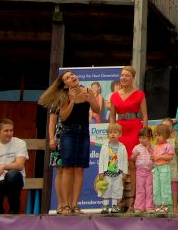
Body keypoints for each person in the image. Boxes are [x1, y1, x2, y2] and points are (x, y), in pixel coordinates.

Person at [38, 70, 100, 215]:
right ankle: (64, 205)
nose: (72, 77)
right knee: (67, 168)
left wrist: (90, 99)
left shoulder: (87, 90)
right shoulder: (64, 96)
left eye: (72, 75)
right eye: (67, 77)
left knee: (79, 169)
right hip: (68, 133)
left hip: (84, 133)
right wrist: (72, 100)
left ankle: (74, 205)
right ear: (65, 85)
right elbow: (64, 117)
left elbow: (97, 109)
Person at [109, 66, 147, 209]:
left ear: (132, 78)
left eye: (127, 76)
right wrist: (112, 132)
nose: (123, 78)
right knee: (118, 165)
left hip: (135, 128)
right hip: (120, 130)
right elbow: (112, 116)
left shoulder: (139, 94)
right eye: (122, 75)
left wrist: (145, 134)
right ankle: (120, 199)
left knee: (133, 165)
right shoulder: (114, 96)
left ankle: (134, 199)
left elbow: (144, 115)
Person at [97, 123, 128, 214]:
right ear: (107, 135)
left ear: (120, 134)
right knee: (106, 190)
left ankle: (114, 207)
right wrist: (101, 172)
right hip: (107, 174)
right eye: (110, 132)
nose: (113, 134)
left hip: (118, 174)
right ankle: (105, 207)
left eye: (115, 132)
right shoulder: (104, 147)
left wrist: (125, 172)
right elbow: (101, 160)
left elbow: (125, 160)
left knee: (116, 190)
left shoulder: (122, 147)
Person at [130, 127, 155, 213]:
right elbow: (131, 158)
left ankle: (149, 207)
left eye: (144, 138)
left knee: (149, 189)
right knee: (140, 189)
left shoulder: (153, 147)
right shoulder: (137, 147)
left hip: (150, 172)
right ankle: (139, 207)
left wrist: (150, 149)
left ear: (150, 138)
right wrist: (134, 155)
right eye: (140, 138)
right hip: (140, 172)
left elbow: (155, 157)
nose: (142, 140)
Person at [152, 123, 174, 214]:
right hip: (157, 169)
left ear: (166, 135)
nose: (157, 137)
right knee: (156, 187)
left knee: (165, 187)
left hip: (164, 168)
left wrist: (160, 157)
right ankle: (158, 205)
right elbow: (154, 157)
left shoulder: (168, 146)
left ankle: (165, 205)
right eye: (156, 135)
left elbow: (170, 157)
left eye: (159, 135)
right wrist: (153, 158)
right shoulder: (156, 146)